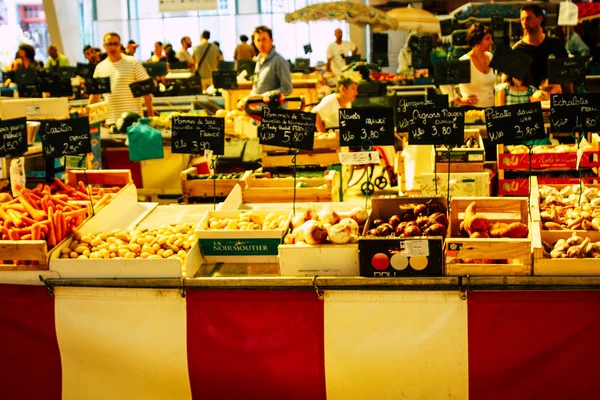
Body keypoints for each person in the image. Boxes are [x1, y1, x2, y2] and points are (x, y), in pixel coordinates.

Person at [89, 32, 154, 124]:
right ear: (104, 46)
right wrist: (86, 117)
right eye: (109, 44)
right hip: (111, 121)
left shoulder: (133, 62)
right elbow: (95, 96)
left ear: (120, 45)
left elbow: (146, 92)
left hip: (135, 121)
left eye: (115, 44)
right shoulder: (99, 68)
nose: (112, 47)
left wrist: (150, 116)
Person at [513, 4, 572, 93]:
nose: (524, 22)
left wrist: (571, 97)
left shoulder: (555, 43)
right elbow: (508, 83)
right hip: (531, 102)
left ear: (540, 19)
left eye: (528, 18)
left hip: (555, 99)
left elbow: (567, 75)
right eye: (522, 19)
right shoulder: (518, 49)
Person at [456, 23, 495, 108]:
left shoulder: (490, 56)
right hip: (472, 111)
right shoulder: (465, 61)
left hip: (491, 110)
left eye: (491, 38)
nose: (492, 42)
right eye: (487, 39)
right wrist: (459, 100)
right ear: (477, 41)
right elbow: (443, 81)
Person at [248, 25, 292, 100]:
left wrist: (268, 95)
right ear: (254, 42)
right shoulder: (258, 61)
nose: (261, 43)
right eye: (258, 40)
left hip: (274, 109)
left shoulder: (279, 61)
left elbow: (287, 88)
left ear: (271, 40)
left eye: (264, 39)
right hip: (258, 108)